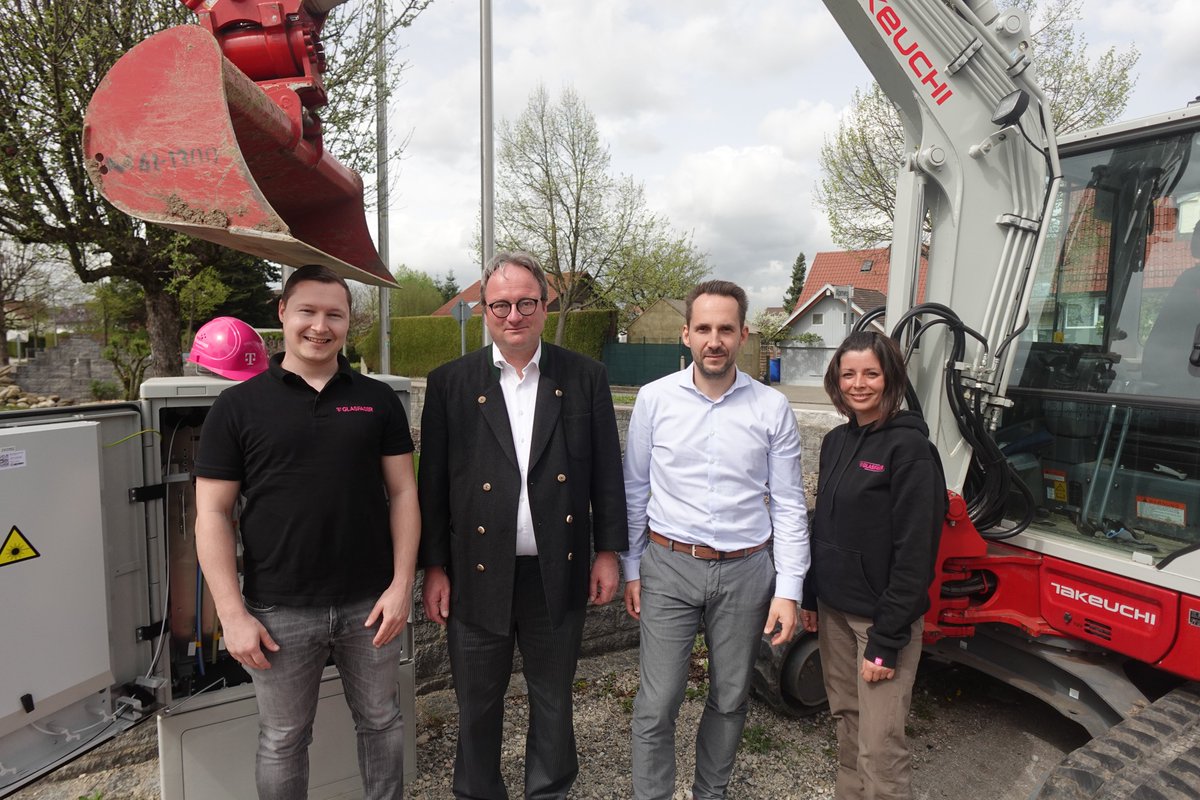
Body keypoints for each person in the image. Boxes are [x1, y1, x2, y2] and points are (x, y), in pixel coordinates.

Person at [194, 265, 419, 800]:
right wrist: (232, 614)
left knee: (383, 722)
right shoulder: (237, 407)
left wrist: (401, 585)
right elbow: (211, 514)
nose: (320, 326)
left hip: (371, 604)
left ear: (348, 323)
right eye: (308, 312)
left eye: (334, 315)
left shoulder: (378, 400)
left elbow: (405, 494)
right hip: (278, 610)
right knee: (283, 737)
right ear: (282, 314)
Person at [417, 250, 627, 799]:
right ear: (484, 310)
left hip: (555, 571)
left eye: (526, 302)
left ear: (544, 303)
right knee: (476, 701)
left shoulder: (584, 378)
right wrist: (433, 566)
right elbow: (431, 485)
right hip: (474, 573)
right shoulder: (449, 384)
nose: (514, 315)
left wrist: (609, 551)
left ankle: (549, 791)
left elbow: (607, 471)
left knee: (554, 697)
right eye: (501, 304)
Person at [622, 279, 809, 800]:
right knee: (657, 703)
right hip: (668, 565)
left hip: (748, 572)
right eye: (703, 328)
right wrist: (631, 568)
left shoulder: (772, 409)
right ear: (686, 334)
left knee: (730, 698)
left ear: (743, 334)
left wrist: (789, 590)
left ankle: (712, 793)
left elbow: (790, 504)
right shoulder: (654, 401)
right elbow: (634, 490)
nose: (714, 339)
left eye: (726, 328)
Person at [800, 330, 946, 800]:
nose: (858, 384)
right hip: (835, 613)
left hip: (879, 623)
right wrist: (809, 595)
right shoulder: (836, 441)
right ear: (836, 380)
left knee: (880, 746)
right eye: (848, 374)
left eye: (870, 373)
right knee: (847, 725)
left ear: (891, 377)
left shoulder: (911, 450)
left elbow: (915, 551)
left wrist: (886, 638)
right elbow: (822, 525)